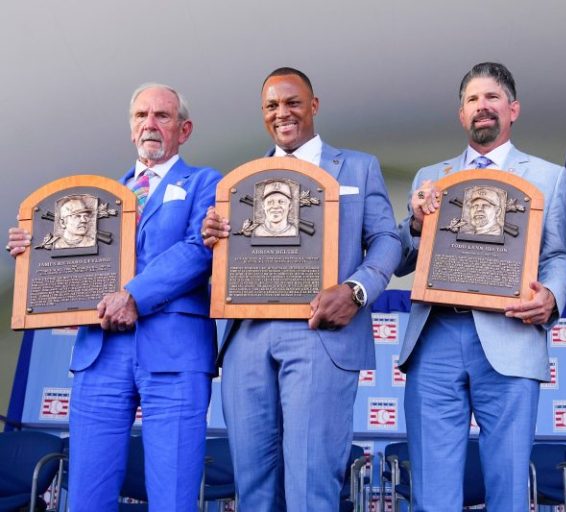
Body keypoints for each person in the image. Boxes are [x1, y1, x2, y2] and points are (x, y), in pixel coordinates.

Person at [8, 83, 221, 511]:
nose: (150, 124)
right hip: (100, 353)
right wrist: (34, 250)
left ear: (185, 129)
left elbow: (197, 250)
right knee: (87, 493)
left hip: (174, 352)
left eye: (162, 115)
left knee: (174, 495)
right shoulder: (93, 199)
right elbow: (73, 261)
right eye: (141, 116)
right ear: (130, 130)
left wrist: (133, 296)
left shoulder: (206, 183)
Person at [201, 67, 401, 511]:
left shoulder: (357, 167)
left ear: (313, 105)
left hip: (319, 333)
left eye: (292, 102)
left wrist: (356, 290)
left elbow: (388, 239)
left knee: (311, 484)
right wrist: (212, 237)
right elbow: (224, 256)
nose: (282, 113)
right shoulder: (240, 181)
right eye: (271, 105)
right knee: (252, 486)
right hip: (246, 337)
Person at [395, 62, 566, 511]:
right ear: (461, 115)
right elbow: (403, 258)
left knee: (509, 486)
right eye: (472, 99)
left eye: (492, 97)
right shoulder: (429, 178)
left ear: (513, 110)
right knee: (432, 492)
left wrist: (551, 296)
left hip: (510, 336)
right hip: (435, 338)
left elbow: (556, 257)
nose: (482, 107)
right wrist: (415, 220)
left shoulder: (549, 177)